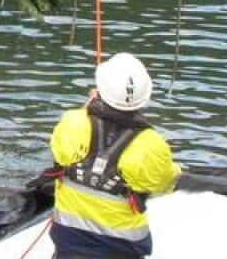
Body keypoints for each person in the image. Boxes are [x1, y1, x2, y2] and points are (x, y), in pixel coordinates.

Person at [48, 52, 180, 258]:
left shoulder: (73, 122)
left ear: (100, 90)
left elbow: (59, 152)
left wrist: (89, 105)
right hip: (122, 247)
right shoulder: (151, 144)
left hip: (69, 239)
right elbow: (163, 183)